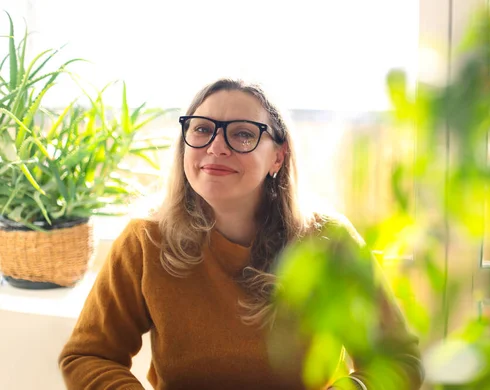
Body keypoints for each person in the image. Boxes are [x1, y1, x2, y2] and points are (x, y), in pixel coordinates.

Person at [59, 79, 424, 389]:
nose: (217, 146)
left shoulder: (329, 242)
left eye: (243, 134)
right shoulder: (145, 240)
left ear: (278, 158)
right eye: (202, 129)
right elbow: (88, 355)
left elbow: (399, 361)